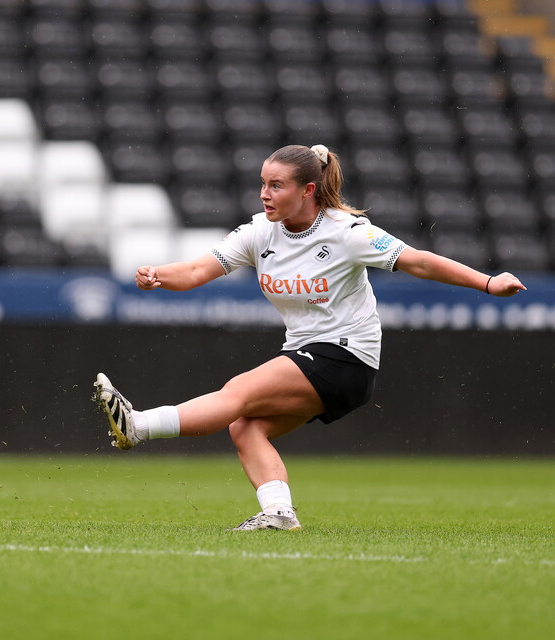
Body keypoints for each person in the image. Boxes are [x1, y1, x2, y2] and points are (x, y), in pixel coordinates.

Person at [92, 144, 527, 531]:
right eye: (262, 184)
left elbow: (420, 262)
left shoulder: (346, 233)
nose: (265, 194)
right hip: (308, 354)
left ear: (308, 190)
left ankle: (139, 425)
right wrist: (157, 275)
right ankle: (279, 513)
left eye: (276, 185)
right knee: (246, 428)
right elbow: (193, 271)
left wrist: (488, 283)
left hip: (346, 356)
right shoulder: (258, 232)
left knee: (238, 392)